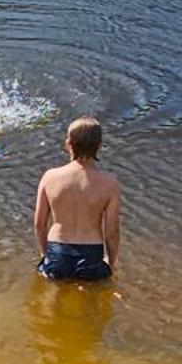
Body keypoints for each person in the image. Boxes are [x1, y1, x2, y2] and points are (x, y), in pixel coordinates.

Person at [34, 117, 120, 280]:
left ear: (68, 144)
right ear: (99, 146)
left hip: (57, 251)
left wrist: (45, 253)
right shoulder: (109, 183)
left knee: (53, 303)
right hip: (91, 254)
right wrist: (111, 262)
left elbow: (39, 224)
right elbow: (112, 232)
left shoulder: (50, 177)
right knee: (92, 302)